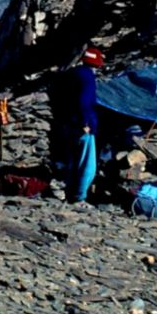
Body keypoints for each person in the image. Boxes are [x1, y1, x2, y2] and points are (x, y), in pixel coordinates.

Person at [65, 44, 104, 203]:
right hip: (82, 125)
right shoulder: (88, 77)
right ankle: (80, 197)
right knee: (88, 165)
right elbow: (85, 101)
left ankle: (69, 192)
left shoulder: (73, 75)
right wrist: (86, 122)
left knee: (74, 161)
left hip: (69, 123)